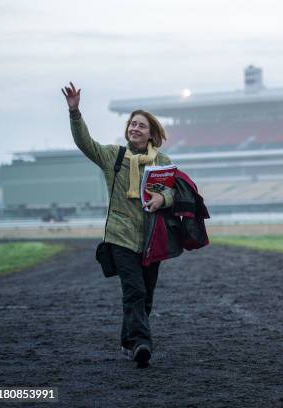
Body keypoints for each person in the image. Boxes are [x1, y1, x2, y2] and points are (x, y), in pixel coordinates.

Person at [61, 82, 174, 368]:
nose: (135, 128)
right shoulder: (113, 156)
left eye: (141, 126)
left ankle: (128, 340)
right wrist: (75, 113)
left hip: (151, 238)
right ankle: (142, 344)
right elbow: (85, 143)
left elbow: (174, 191)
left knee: (146, 295)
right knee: (134, 290)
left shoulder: (162, 161)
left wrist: (162, 198)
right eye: (132, 124)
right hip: (120, 236)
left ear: (152, 133)